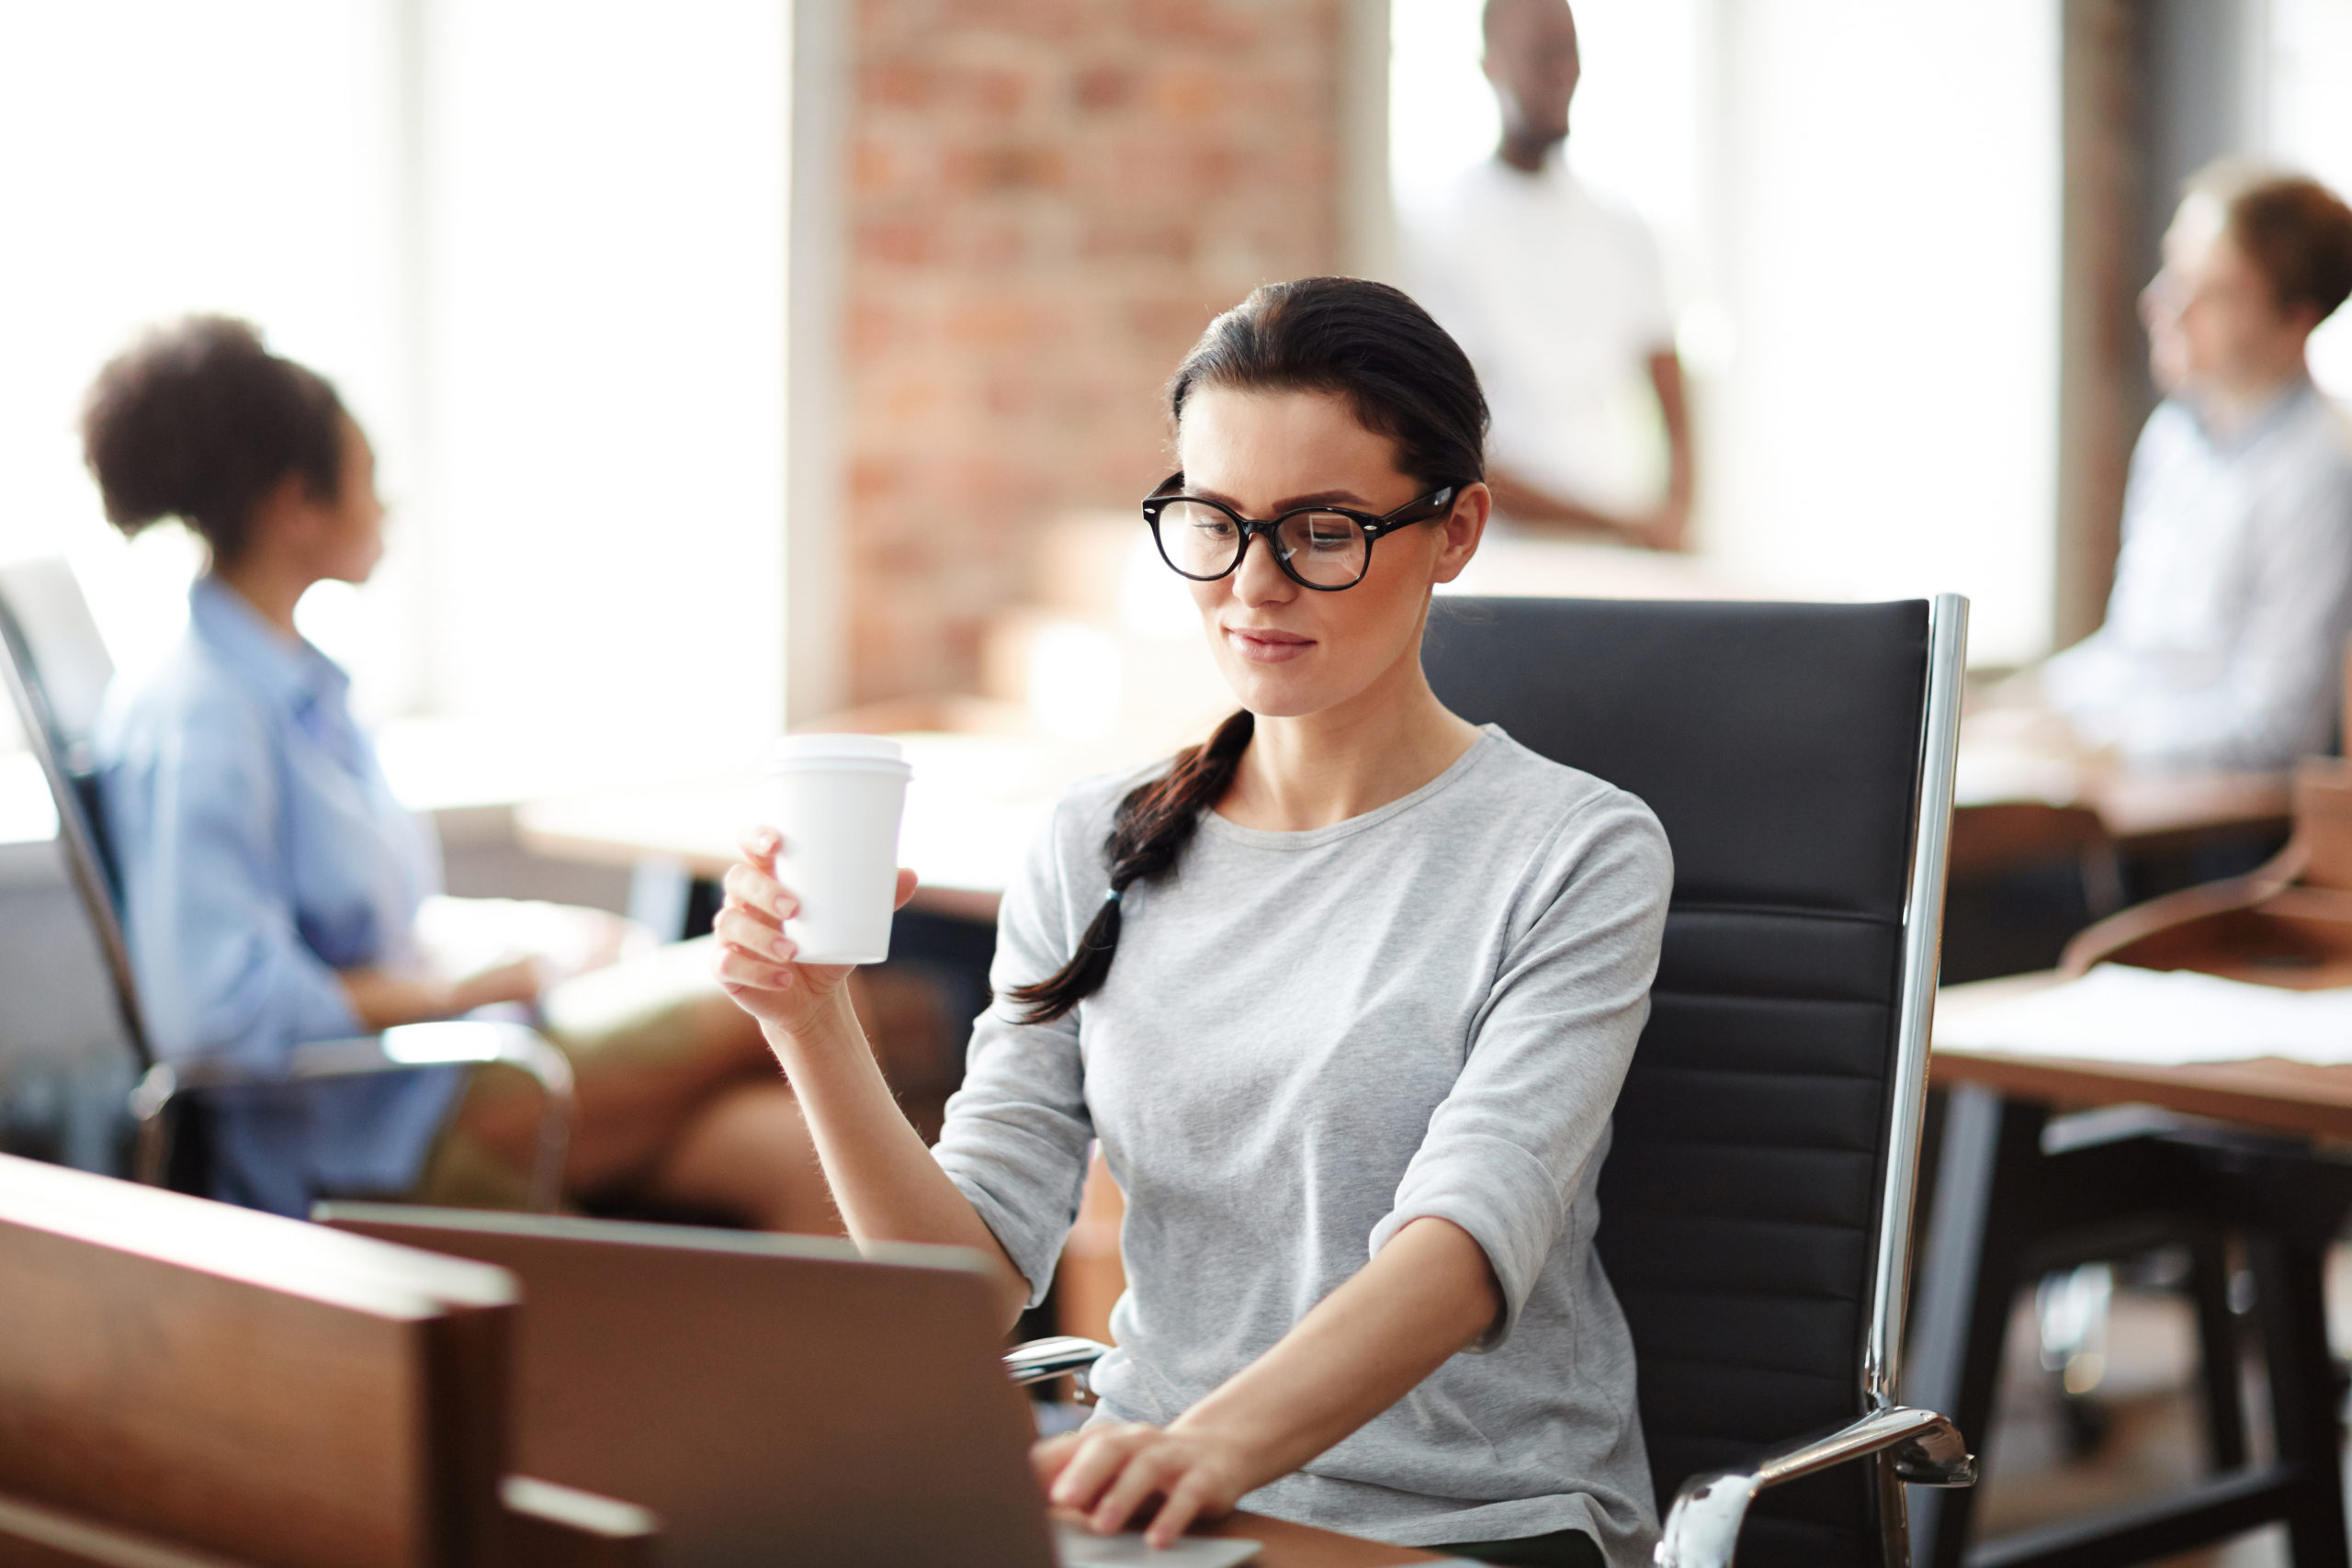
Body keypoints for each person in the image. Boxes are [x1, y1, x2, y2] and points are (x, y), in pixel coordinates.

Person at [714, 278, 1671, 1568]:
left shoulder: (1575, 850)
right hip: (1163, 1503)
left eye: (1322, 529)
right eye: (1212, 522)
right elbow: (969, 1281)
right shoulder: (1097, 839)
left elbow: (1464, 1243)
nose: (1254, 584)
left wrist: (1202, 1444)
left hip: (1469, 1518)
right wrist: (812, 1021)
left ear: (1455, 530)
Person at [85, 316, 834, 1229]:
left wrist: (536, 942)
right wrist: (475, 986)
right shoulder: (202, 713)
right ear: (294, 507)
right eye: (368, 479)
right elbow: (219, 1012)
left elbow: (360, 928)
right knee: (807, 993)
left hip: (441, 1072)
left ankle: (878, 1370)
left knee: (786, 1150)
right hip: (368, 1126)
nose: (388, 507)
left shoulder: (293, 687)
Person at [2028, 164, 2352, 771]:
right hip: (2135, 786)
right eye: (2173, 272)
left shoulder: (2325, 469)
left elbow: (2278, 727)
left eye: (2213, 291)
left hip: (2222, 823)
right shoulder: (2173, 437)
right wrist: (2026, 709)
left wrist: (2102, 745)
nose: (2162, 305)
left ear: (2296, 319)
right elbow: (2135, 651)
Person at [1401, 0, 1693, 552]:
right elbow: (1450, 439)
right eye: (1542, 54)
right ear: (1491, 64)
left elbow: (1669, 380)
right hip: (1501, 548)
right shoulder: (1436, 227)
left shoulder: (1621, 225)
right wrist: (1621, 526)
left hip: (1622, 550)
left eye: (1570, 53)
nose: (1563, 70)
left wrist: (1673, 513)